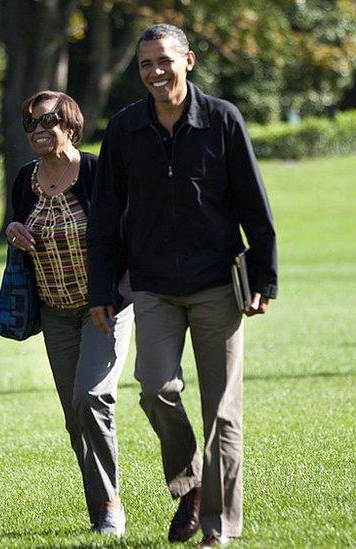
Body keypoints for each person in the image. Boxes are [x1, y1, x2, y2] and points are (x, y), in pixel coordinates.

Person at [87, 24, 278, 548]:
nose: (155, 72)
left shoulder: (221, 120)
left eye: (164, 61)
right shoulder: (125, 129)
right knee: (155, 390)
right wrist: (101, 288)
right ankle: (191, 480)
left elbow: (253, 204)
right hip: (151, 288)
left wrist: (265, 277)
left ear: (188, 61)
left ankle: (218, 530)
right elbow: (105, 216)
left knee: (222, 412)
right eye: (146, 64)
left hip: (218, 284)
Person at [4, 90, 133, 536]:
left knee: (92, 398)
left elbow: (126, 234)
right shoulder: (26, 179)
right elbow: (21, 224)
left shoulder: (97, 171)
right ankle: (101, 509)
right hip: (54, 311)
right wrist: (13, 230)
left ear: (71, 124)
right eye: (31, 124)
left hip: (104, 305)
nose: (38, 130)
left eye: (48, 121)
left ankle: (111, 506)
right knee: (74, 413)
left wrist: (118, 294)